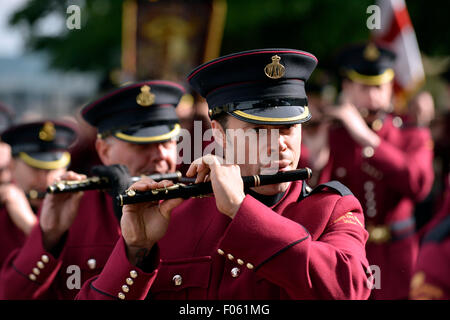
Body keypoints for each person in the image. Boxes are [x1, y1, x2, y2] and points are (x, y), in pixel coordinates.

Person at [76, 48, 371, 300]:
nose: (278, 143)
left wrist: (243, 210)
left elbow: (349, 288)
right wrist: (135, 252)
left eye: (287, 128)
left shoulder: (333, 209)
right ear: (220, 133)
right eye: (257, 130)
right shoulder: (174, 214)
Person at [0, 80, 184, 299]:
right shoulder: (73, 208)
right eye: (142, 145)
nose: (161, 155)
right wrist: (48, 238)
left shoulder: (202, 203)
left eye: (168, 142)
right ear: (104, 151)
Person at [319, 43, 434, 299]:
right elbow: (316, 190)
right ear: (347, 88)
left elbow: (419, 185)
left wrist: (366, 138)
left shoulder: (411, 133)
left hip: (399, 256)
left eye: (379, 87)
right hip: (349, 251)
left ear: (391, 87)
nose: (373, 97)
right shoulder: (336, 134)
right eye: (364, 87)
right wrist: (320, 144)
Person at [0, 120, 77, 267]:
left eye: (53, 169)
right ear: (12, 165)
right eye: (35, 168)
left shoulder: (83, 207)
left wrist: (30, 226)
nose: (46, 179)